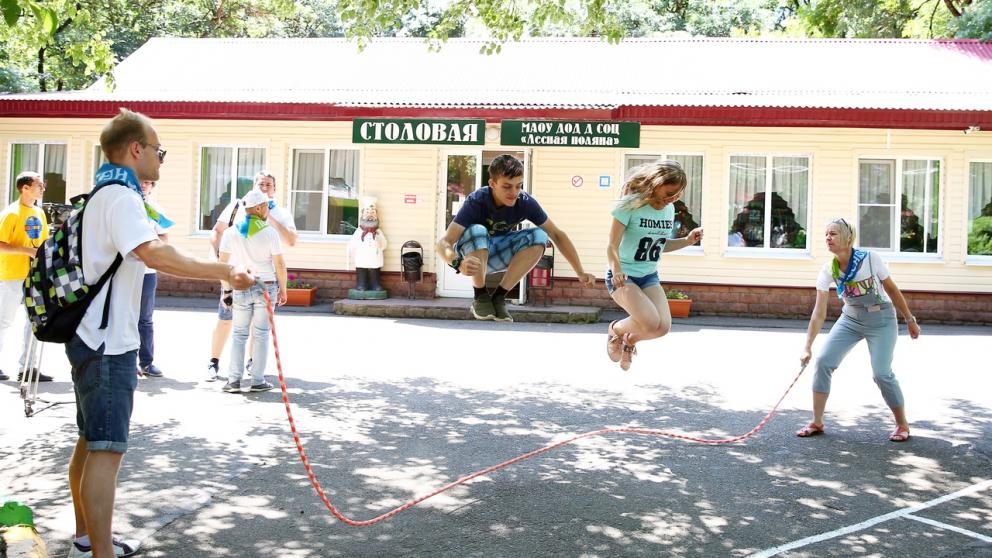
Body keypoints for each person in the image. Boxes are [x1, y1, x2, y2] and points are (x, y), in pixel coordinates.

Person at [65, 108, 252, 558]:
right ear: (136, 149)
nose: (161, 159)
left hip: (90, 334)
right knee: (107, 449)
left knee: (91, 441)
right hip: (108, 342)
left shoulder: (103, 192)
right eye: (159, 150)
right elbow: (158, 256)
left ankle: (87, 539)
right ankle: (100, 553)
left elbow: (159, 249)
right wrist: (227, 270)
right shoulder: (121, 197)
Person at [796, 217, 921, 443]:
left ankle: (902, 424)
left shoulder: (870, 259)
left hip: (881, 319)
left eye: (833, 233)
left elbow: (892, 290)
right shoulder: (828, 270)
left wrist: (910, 319)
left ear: (849, 238)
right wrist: (807, 346)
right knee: (823, 362)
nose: (828, 238)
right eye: (826, 234)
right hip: (850, 319)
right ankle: (817, 421)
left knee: (882, 373)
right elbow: (819, 312)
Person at [436, 154, 595, 322]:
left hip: (499, 254)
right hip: (472, 259)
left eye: (518, 186)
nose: (514, 193)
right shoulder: (477, 200)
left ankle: (498, 297)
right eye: (506, 186)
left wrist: (580, 272)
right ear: (492, 183)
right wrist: (457, 262)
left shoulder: (525, 202)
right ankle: (480, 296)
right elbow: (443, 243)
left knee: (540, 234)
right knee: (477, 230)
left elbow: (557, 234)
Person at [605, 160, 704, 371]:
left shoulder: (669, 210)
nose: (673, 198)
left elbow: (660, 245)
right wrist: (617, 270)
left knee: (662, 328)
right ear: (654, 185)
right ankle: (616, 330)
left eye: (678, 194)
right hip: (624, 276)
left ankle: (629, 341)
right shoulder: (629, 205)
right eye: (669, 192)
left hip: (649, 276)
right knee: (650, 322)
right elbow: (612, 245)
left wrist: (687, 241)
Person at [206, 171, 296, 381]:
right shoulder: (236, 206)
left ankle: (248, 369)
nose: (264, 188)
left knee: (256, 329)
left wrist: (268, 214)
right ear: (254, 186)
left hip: (262, 278)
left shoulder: (279, 213)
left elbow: (291, 240)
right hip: (234, 276)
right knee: (228, 321)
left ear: (274, 189)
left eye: (268, 185)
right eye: (260, 184)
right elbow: (218, 231)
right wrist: (215, 256)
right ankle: (215, 361)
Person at [217, 189, 288, 393]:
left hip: (241, 284)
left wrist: (226, 291)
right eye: (266, 206)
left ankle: (234, 380)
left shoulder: (231, 232)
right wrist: (283, 289)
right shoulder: (269, 232)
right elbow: (280, 264)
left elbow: (223, 264)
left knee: (239, 333)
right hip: (266, 286)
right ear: (258, 208)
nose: (267, 209)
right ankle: (257, 380)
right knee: (261, 334)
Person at [0, 171, 50, 382]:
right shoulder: (11, 213)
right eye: (39, 184)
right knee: (3, 321)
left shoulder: (39, 213)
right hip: (11, 275)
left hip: (35, 277)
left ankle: (28, 368)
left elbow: (44, 244)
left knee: (34, 323)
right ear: (25, 188)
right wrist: (28, 251)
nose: (43, 188)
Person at [136, 180, 170, 378]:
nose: (144, 185)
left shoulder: (155, 209)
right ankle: (126, 363)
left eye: (148, 183)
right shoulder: (128, 204)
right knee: (123, 317)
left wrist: (151, 246)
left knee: (145, 319)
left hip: (147, 271)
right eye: (141, 181)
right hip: (125, 271)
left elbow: (164, 238)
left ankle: (147, 362)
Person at [348, 196, 387, 293]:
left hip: (375, 254)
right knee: (361, 267)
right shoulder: (359, 231)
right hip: (362, 254)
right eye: (367, 212)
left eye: (373, 213)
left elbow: (384, 243)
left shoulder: (378, 232)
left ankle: (375, 284)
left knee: (375, 268)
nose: (370, 215)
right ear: (362, 214)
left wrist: (380, 244)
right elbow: (353, 243)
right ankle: (361, 284)